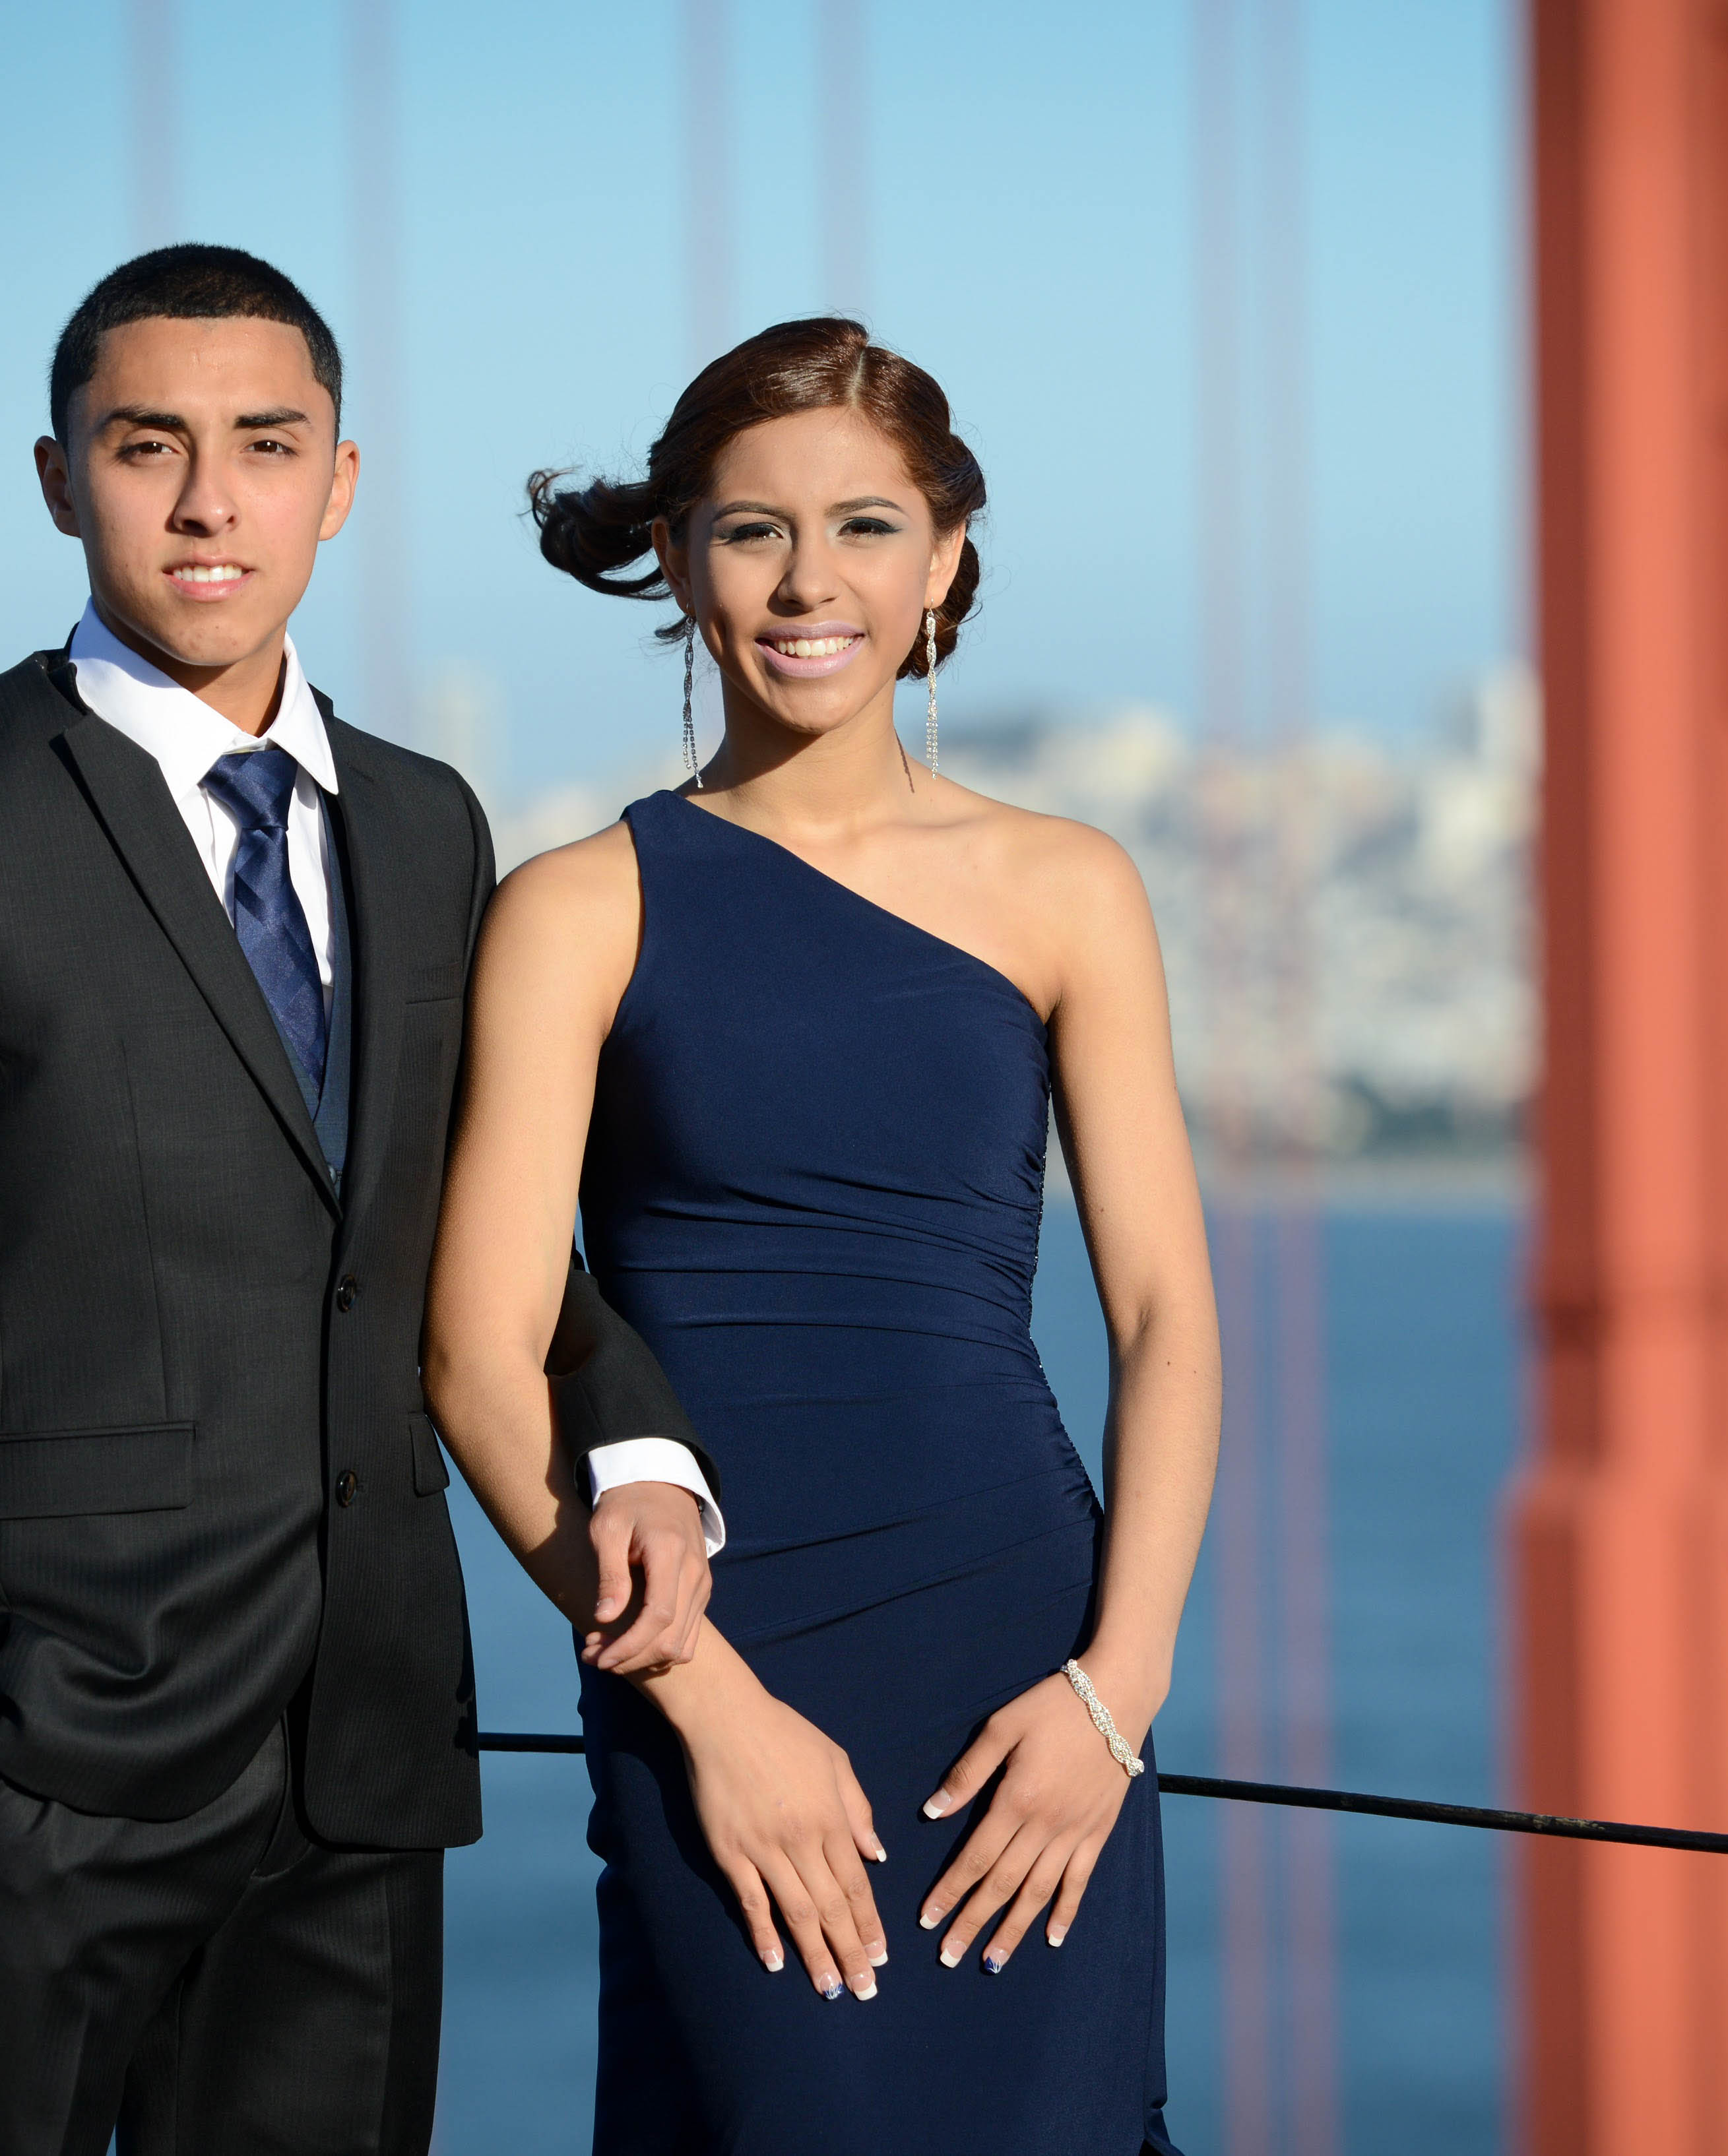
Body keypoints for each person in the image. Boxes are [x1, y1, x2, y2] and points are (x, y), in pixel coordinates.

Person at [0, 244, 724, 2155]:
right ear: (59, 479)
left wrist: (644, 1454)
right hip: (45, 1779)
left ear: (339, 482)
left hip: (362, 1784)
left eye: (266, 446)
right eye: (147, 445)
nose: (211, 499)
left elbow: (479, 1240)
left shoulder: (430, 822)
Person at [424, 318, 1221, 2156]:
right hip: (710, 1644)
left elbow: (1170, 1313)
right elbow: (473, 1355)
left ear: (944, 558)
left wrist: (1121, 1688)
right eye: (751, 529)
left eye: (864, 526)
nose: (809, 582)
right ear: (682, 559)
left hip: (1032, 1660)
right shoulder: (580, 905)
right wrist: (712, 1709)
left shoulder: (1072, 885)